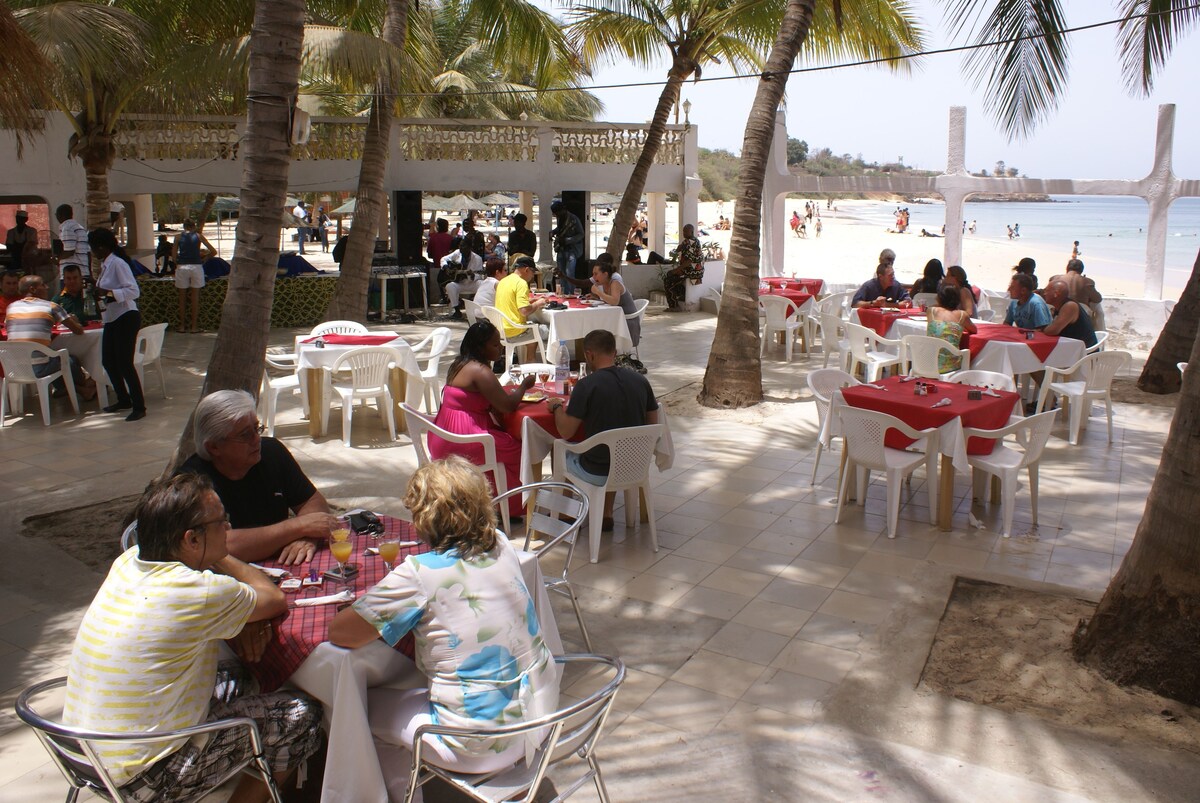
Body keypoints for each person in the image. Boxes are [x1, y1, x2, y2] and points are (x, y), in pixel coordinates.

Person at [63, 473, 324, 802]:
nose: (228, 529)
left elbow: (214, 608)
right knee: (304, 715)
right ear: (191, 540)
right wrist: (220, 555)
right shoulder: (195, 592)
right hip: (148, 776)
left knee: (247, 674)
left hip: (84, 754)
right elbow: (272, 599)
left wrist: (243, 618)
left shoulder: (128, 562)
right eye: (221, 522)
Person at [329, 457, 560, 777]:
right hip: (540, 720)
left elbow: (342, 634)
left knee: (358, 710)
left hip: (479, 745)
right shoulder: (502, 545)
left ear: (425, 519)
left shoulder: (419, 574)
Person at [178, 389, 339, 565]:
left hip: (282, 565)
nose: (257, 439)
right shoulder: (191, 484)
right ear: (214, 447)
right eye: (245, 435)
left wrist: (307, 537)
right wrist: (300, 526)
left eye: (257, 428)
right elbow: (222, 545)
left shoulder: (272, 453)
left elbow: (314, 503)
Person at [546, 329, 659, 531]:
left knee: (558, 447)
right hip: (634, 465)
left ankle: (567, 514)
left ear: (589, 355)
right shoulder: (641, 381)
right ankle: (606, 513)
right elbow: (653, 425)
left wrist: (556, 408)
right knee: (614, 447)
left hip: (597, 469)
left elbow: (566, 432)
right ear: (614, 352)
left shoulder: (587, 385)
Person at [428, 322, 536, 518]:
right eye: (495, 345)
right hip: (463, 440)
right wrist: (524, 386)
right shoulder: (480, 371)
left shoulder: (459, 364)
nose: (501, 347)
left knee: (505, 444)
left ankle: (488, 501)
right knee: (520, 449)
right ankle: (507, 506)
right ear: (480, 347)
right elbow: (508, 406)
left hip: (442, 434)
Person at [4, 275, 97, 400]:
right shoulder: (51, 306)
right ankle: (85, 387)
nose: (47, 287)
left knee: (54, 358)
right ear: (33, 289)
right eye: (43, 284)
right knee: (70, 360)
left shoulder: (11, 308)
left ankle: (71, 389)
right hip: (40, 368)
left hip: (15, 368)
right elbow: (78, 331)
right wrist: (74, 321)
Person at [89, 227, 146, 421]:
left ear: (102, 247)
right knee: (109, 361)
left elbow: (133, 291)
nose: (93, 253)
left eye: (94, 249)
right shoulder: (106, 264)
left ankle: (139, 405)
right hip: (112, 317)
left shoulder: (118, 263)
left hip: (126, 316)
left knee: (124, 363)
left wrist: (109, 293)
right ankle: (123, 398)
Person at [494, 256, 548, 360]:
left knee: (534, 330)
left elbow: (511, 302)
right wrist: (538, 303)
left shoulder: (503, 281)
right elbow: (524, 311)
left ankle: (527, 363)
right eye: (533, 272)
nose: (533, 276)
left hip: (500, 329)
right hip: (514, 331)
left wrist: (531, 302)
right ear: (527, 269)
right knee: (546, 330)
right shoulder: (521, 283)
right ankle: (532, 365)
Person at [174, 219, 214, 334]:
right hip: (196, 266)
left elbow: (173, 256)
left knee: (182, 297)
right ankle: (194, 327)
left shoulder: (177, 237)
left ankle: (182, 326)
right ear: (194, 226)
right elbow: (213, 251)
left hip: (182, 266)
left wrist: (179, 263)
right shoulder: (198, 236)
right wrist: (204, 258)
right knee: (195, 297)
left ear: (183, 226)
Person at [926, 283, 977, 373]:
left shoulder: (931, 311)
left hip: (927, 362)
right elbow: (974, 330)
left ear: (939, 298)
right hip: (950, 365)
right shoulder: (962, 315)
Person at [1042, 279, 1098, 349]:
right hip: (1070, 348)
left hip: (1083, 353)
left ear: (1056, 293)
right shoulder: (1059, 307)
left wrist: (1042, 329)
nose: (1044, 294)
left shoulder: (1070, 306)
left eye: (1046, 291)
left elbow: (1052, 331)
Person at [1049, 258, 1103, 328]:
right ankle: (1099, 330)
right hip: (1080, 311)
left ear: (1067, 268)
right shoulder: (1087, 281)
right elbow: (1098, 299)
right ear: (1081, 270)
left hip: (1057, 309)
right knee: (1097, 306)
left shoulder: (1055, 278)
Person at [661, 223, 704, 310]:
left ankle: (674, 306)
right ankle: (681, 295)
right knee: (671, 278)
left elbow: (689, 261)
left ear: (691, 232)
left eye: (686, 231)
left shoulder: (692, 242)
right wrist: (679, 249)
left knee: (668, 279)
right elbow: (677, 252)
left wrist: (676, 270)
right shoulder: (687, 241)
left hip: (693, 271)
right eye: (683, 231)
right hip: (688, 269)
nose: (683, 233)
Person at [441, 241, 484, 319]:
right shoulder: (457, 253)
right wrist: (446, 268)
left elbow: (479, 275)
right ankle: (457, 311)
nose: (461, 248)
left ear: (470, 248)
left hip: (472, 283)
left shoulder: (477, 259)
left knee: (482, 284)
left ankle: (479, 310)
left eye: (463, 246)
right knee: (450, 286)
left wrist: (472, 275)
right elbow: (443, 259)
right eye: (460, 246)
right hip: (459, 283)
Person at [550, 201, 585, 295]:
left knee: (569, 274)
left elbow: (581, 234)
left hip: (571, 251)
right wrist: (553, 232)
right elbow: (559, 229)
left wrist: (567, 240)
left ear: (563, 210)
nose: (556, 215)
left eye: (557, 213)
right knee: (561, 274)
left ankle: (571, 294)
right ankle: (563, 294)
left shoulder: (574, 219)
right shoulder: (560, 218)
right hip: (561, 249)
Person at [54, 204, 91, 282]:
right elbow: (88, 253)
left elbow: (69, 251)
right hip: (83, 272)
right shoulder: (80, 228)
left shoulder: (67, 228)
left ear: (60, 215)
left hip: (71, 276)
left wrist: (57, 259)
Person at [426, 218, 454, 305]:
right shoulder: (451, 238)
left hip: (437, 266)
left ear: (438, 227)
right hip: (450, 268)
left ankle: (443, 299)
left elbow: (429, 254)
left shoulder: (433, 238)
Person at [5, 210, 38, 275]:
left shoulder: (32, 231)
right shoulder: (11, 232)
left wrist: (19, 249)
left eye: (21, 219)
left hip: (28, 261)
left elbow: (32, 245)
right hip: (15, 260)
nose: (19, 220)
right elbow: (9, 246)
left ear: (26, 219)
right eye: (18, 218)